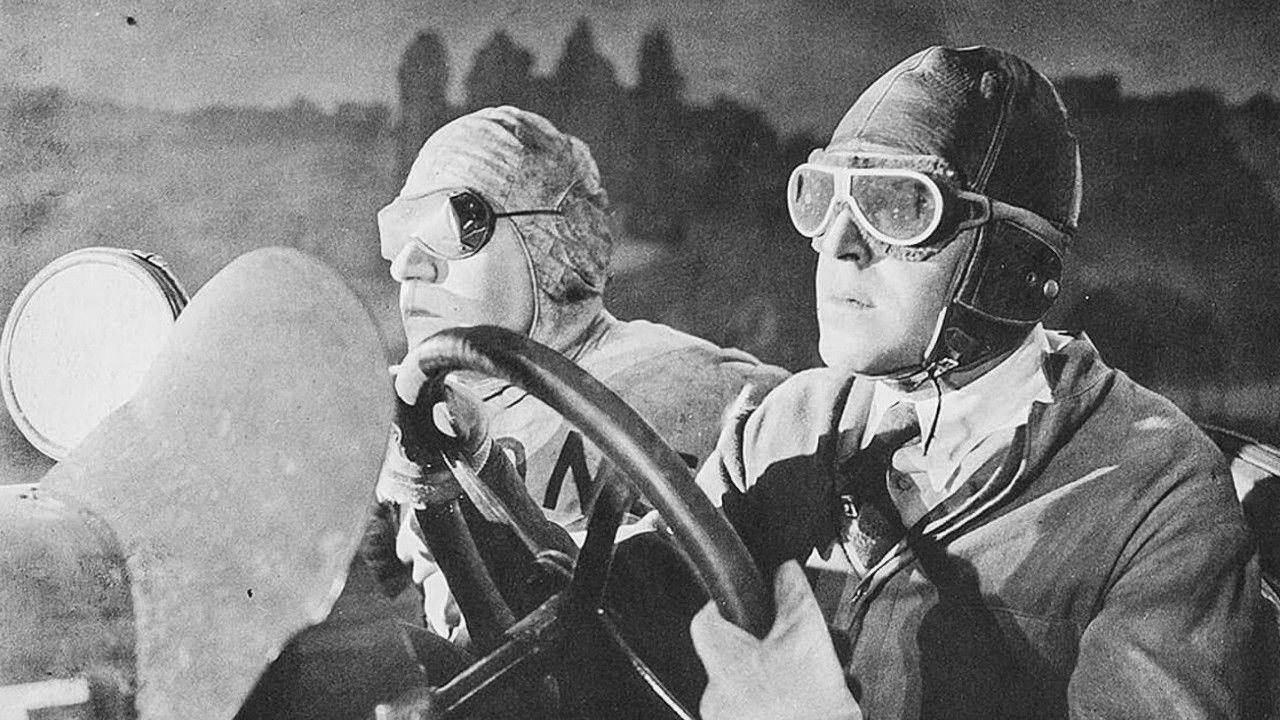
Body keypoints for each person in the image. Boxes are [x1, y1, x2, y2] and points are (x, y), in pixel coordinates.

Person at [689, 46, 1261, 719]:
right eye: (820, 199)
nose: (837, 244)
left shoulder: (1158, 495)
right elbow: (638, 599)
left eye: (898, 206)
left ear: (1010, 264)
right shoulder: (784, 422)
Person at [368, 105, 788, 641]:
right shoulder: (401, 419)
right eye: (399, 235)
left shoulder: (704, 385)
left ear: (550, 237)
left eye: (456, 223)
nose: (407, 266)